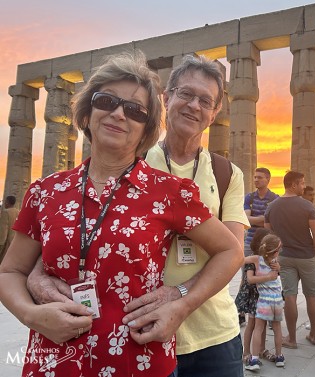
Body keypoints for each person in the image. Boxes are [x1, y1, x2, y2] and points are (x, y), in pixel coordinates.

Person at [0, 52, 242, 377]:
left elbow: (231, 250)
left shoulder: (169, 191)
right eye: (106, 100)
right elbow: (10, 271)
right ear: (87, 113)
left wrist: (181, 300)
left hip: (138, 359)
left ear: (145, 130)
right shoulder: (45, 191)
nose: (118, 113)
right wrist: (30, 313)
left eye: (134, 110)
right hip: (56, 358)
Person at [264, 171, 315, 349]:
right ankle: (314, 334)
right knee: (312, 295)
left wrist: (273, 255)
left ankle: (291, 339)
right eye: (302, 183)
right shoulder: (307, 207)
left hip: (284, 256)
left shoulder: (271, 207)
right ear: (293, 185)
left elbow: (269, 236)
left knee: (290, 295)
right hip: (306, 256)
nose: (304, 187)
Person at [240, 167, 278, 326]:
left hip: (268, 243)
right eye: (255, 177)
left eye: (260, 177)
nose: (256, 180)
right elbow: (246, 219)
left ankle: (268, 313)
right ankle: (241, 312)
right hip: (250, 242)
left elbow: (273, 220)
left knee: (269, 278)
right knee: (246, 278)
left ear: (268, 179)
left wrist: (257, 219)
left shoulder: (275, 198)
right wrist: (263, 219)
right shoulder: (249, 197)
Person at [244, 234, 285, 371]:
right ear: (276, 251)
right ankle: (279, 357)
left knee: (258, 328)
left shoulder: (257, 259)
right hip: (278, 300)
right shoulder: (276, 262)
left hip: (264, 300)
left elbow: (242, 260)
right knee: (277, 328)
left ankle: (254, 359)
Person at [236, 227, 276, 365]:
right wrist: (268, 277)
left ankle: (261, 349)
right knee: (251, 324)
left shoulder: (268, 260)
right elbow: (249, 279)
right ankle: (246, 352)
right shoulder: (253, 261)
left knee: (263, 324)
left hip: (265, 296)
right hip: (254, 297)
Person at [0, 195, 19, 264]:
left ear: (7, 202)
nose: (4, 203)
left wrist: (1, 246)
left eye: (4, 202)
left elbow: (3, 232)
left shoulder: (5, 212)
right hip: (14, 244)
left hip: (6, 245)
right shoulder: (18, 212)